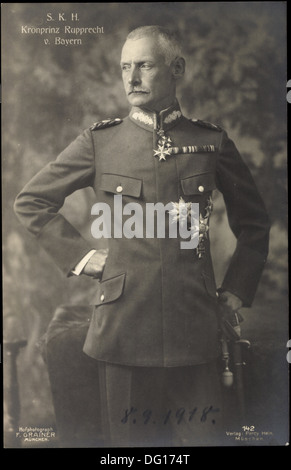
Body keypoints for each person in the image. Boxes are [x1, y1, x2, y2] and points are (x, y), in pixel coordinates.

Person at [14, 25, 270, 447]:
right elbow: (31, 201)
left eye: (145, 66)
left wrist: (237, 290)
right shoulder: (101, 142)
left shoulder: (210, 142)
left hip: (197, 332)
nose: (131, 78)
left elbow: (255, 223)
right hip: (123, 332)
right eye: (124, 68)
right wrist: (83, 257)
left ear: (176, 69)